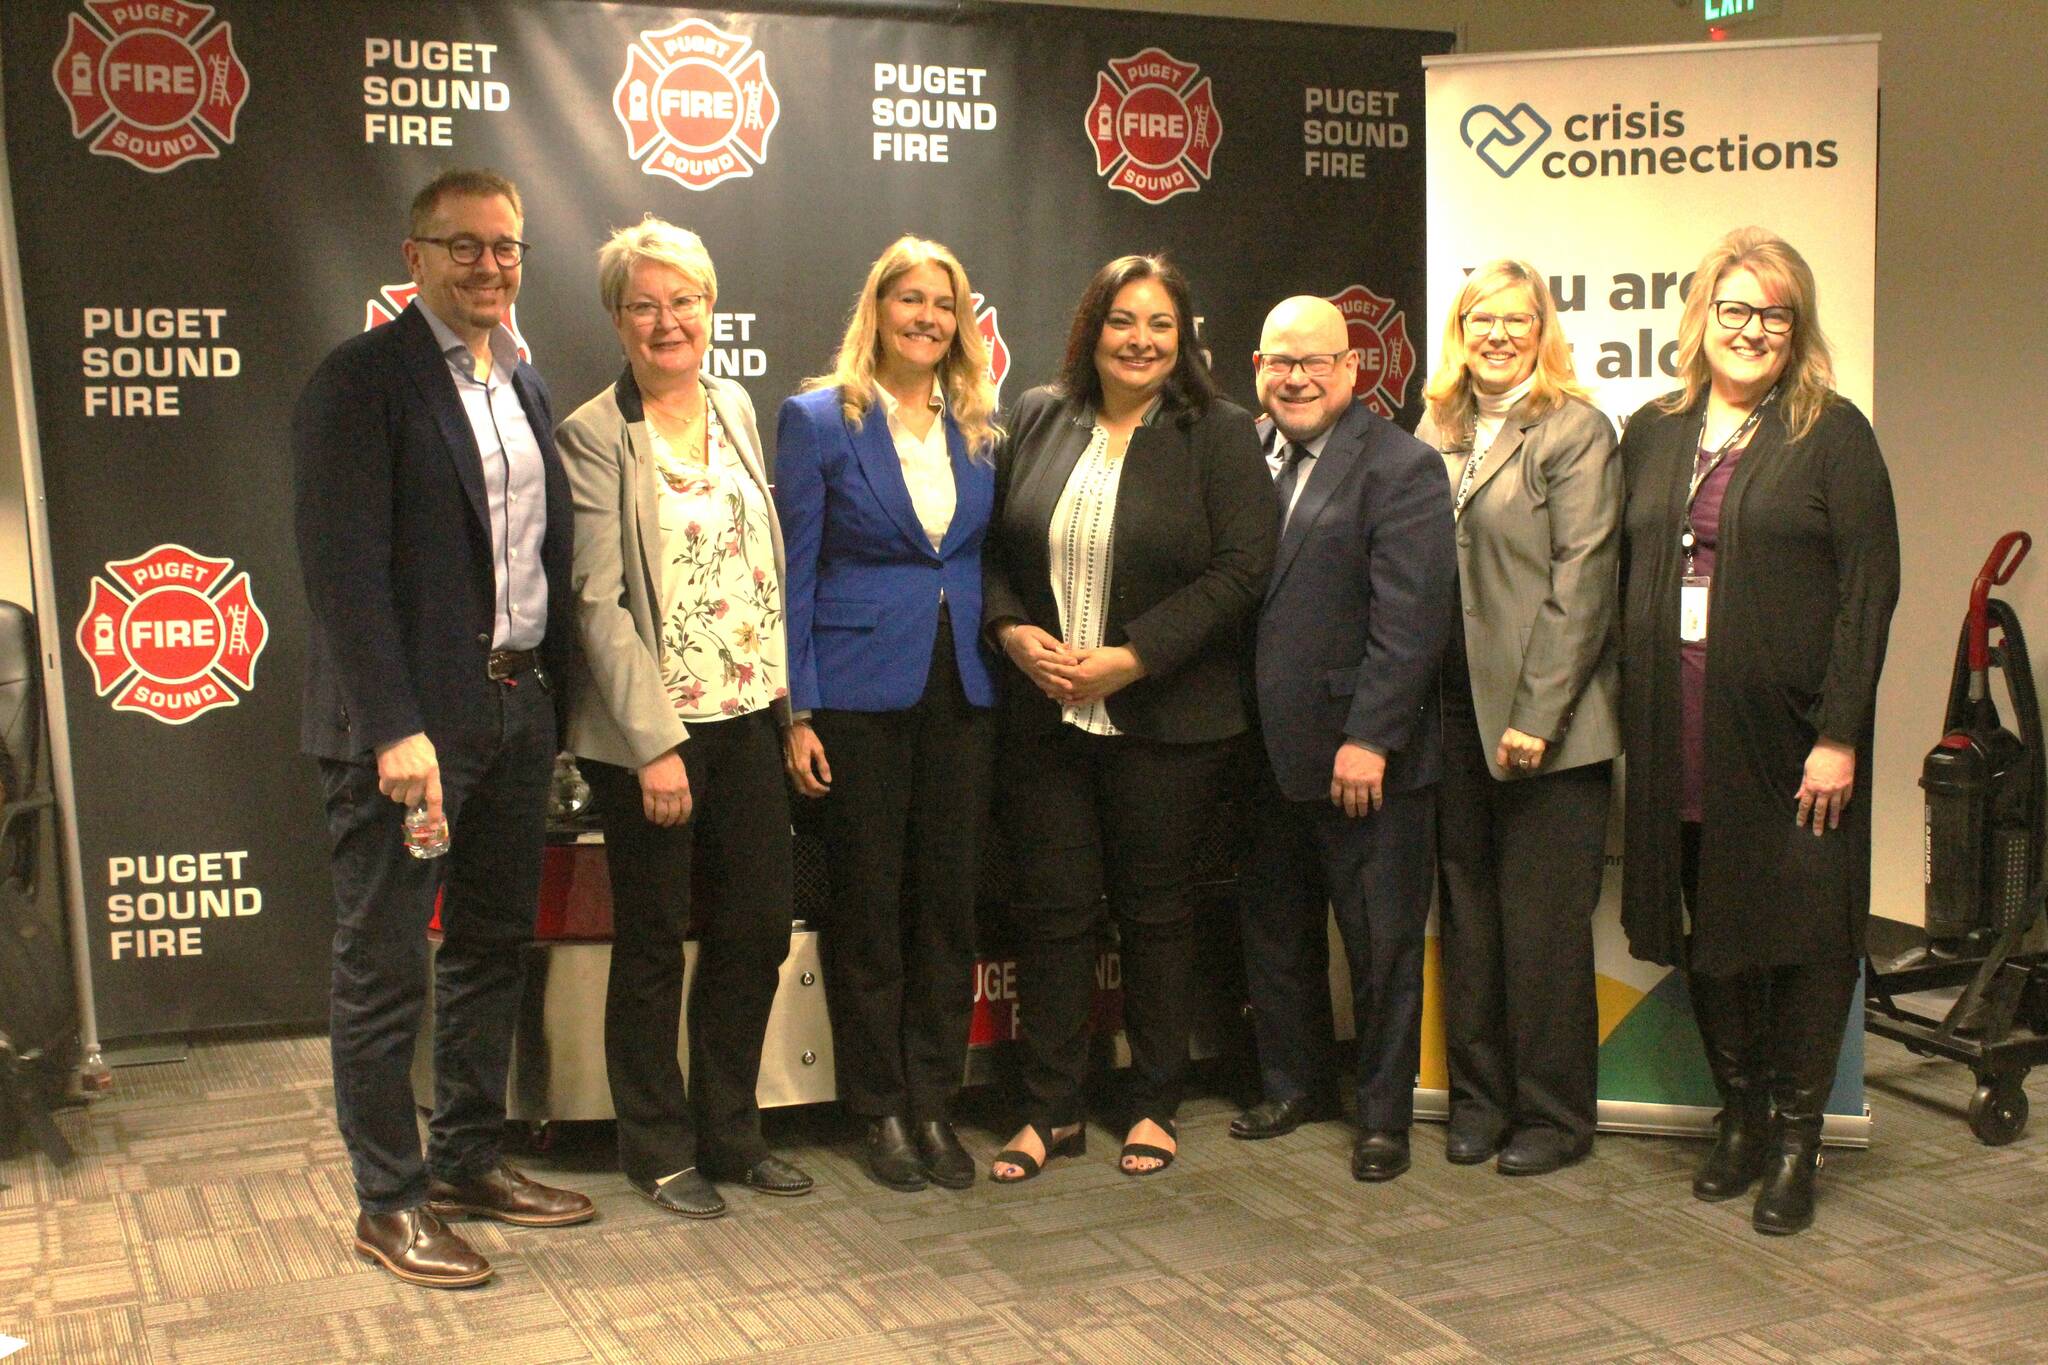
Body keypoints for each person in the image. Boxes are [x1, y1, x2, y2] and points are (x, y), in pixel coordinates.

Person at [293, 168, 593, 1289]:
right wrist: (394, 728)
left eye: (505, 247)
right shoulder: (359, 380)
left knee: (488, 946)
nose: (488, 266)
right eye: (462, 246)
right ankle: (389, 1201)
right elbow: (342, 574)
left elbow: (535, 559)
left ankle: (467, 1161)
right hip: (407, 729)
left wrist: (550, 705)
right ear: (413, 256)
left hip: (512, 709)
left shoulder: (523, 382)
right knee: (383, 965)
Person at [1617, 227, 1898, 1235]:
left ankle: (1794, 1139)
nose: (1750, 329)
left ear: (1796, 327)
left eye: (1773, 313)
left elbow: (1868, 592)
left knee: (1808, 941)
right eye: (1732, 308)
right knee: (1715, 931)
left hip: (1794, 746)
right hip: (1680, 737)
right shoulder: (1653, 430)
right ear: (1700, 316)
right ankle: (1737, 1115)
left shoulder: (1833, 433)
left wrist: (1840, 734)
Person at [982, 255, 1277, 1180]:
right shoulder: (1039, 415)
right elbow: (989, 550)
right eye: (1122, 320)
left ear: (1183, 340)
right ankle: (1050, 1109)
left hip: (1167, 717)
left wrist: (1133, 656)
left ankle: (1154, 1101)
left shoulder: (1221, 433)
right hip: (1047, 720)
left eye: (1160, 325)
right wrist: (1011, 632)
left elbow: (1242, 569)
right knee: (1054, 916)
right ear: (1093, 328)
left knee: (1156, 915)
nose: (1140, 340)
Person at [555, 216, 812, 1221]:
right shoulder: (592, 434)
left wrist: (787, 710)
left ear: (711, 307)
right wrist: (654, 743)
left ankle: (732, 1132)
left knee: (756, 929)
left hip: (746, 714)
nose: (668, 322)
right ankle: (657, 1148)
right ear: (617, 319)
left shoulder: (735, 405)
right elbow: (596, 601)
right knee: (655, 941)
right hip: (651, 736)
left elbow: (758, 570)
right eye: (644, 305)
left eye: (685, 301)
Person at [774, 236, 1000, 1193]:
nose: (927, 317)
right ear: (878, 308)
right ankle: (879, 1108)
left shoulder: (982, 425)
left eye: (943, 303)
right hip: (858, 694)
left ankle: (936, 1101)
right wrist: (798, 709)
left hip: (965, 691)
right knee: (869, 907)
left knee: (948, 905)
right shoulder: (819, 419)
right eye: (910, 299)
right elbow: (794, 569)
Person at [1234, 296, 1456, 1183]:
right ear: (1258, 368)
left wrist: (1370, 736)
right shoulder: (1242, 454)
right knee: (1276, 933)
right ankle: (1294, 1086)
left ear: (1352, 370)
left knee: (1380, 946)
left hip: (1363, 759)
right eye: (1280, 362)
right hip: (1259, 752)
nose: (1296, 378)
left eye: (1315, 362)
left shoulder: (1403, 466)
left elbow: (1412, 621)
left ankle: (1383, 1117)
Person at [1415, 262, 1620, 1175]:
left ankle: (1554, 1116)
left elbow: (1584, 579)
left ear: (1543, 330)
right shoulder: (1438, 427)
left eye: (1516, 319)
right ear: (1459, 331)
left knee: (1541, 932)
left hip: (1549, 725)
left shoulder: (1574, 429)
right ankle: (1480, 1102)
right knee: (1468, 920)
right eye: (1480, 319)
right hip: (1453, 714)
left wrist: (1537, 712)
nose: (1497, 335)